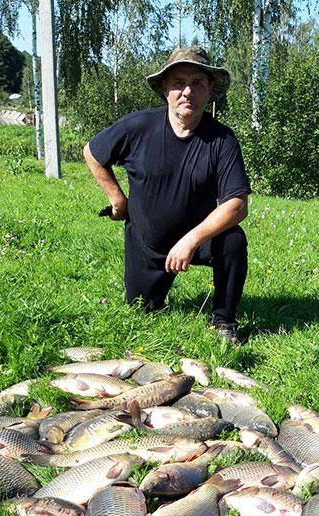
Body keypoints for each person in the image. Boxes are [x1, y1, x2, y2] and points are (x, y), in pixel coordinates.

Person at [83, 47, 251, 345]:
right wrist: (118, 200)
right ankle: (152, 289)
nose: (187, 91)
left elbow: (237, 205)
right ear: (164, 88)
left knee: (233, 240)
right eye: (178, 82)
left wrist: (190, 240)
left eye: (198, 82)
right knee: (142, 310)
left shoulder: (222, 140)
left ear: (210, 90)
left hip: (197, 242)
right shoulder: (138, 127)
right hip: (146, 246)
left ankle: (224, 320)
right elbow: (93, 152)